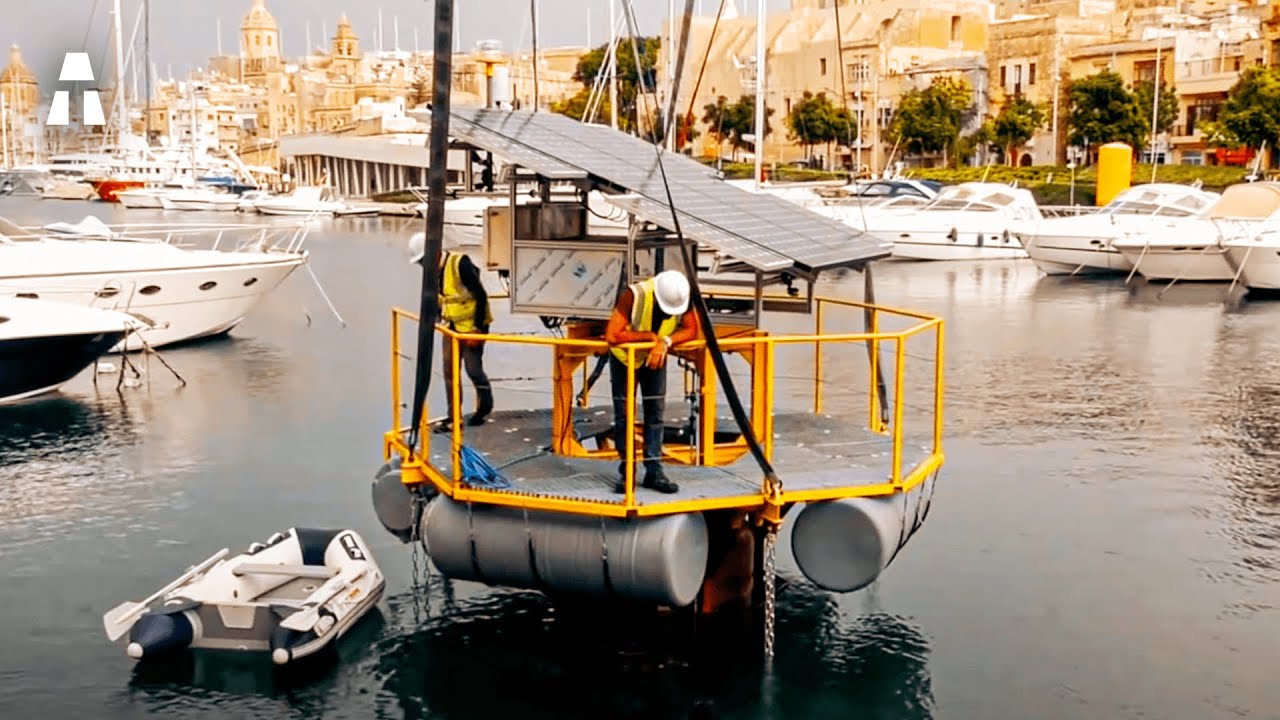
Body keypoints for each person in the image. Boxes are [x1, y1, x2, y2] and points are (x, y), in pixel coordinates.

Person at [604, 269, 700, 494]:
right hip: (625, 359)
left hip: (654, 358)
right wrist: (648, 338)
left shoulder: (681, 296)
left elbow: (691, 329)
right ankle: (627, 470)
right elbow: (612, 334)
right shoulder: (634, 295)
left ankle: (654, 469)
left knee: (655, 412)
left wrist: (665, 342)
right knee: (624, 413)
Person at [409, 232, 494, 429]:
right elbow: (440, 298)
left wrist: (478, 329)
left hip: (472, 325)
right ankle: (454, 417)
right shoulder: (433, 273)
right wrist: (437, 318)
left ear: (435, 253)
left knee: (473, 369)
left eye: (423, 260)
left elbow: (480, 295)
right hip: (452, 327)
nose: (422, 266)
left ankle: (484, 406)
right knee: (449, 371)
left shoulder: (459, 263)